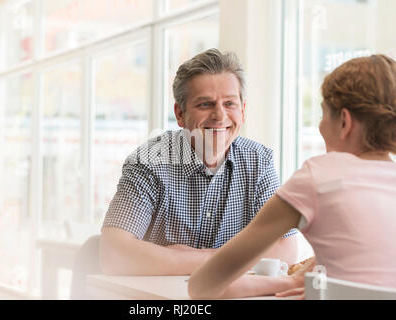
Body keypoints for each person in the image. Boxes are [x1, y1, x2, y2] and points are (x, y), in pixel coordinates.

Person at [188, 54, 396, 299]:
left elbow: (203, 286)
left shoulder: (318, 177)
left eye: (323, 114)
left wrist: (292, 283)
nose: (319, 127)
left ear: (344, 121)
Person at [99, 48, 299, 276]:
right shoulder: (148, 162)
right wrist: (231, 257)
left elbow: (285, 250)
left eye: (230, 104)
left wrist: (184, 257)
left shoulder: (259, 162)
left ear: (242, 111)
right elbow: (114, 256)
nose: (220, 116)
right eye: (205, 104)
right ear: (180, 113)